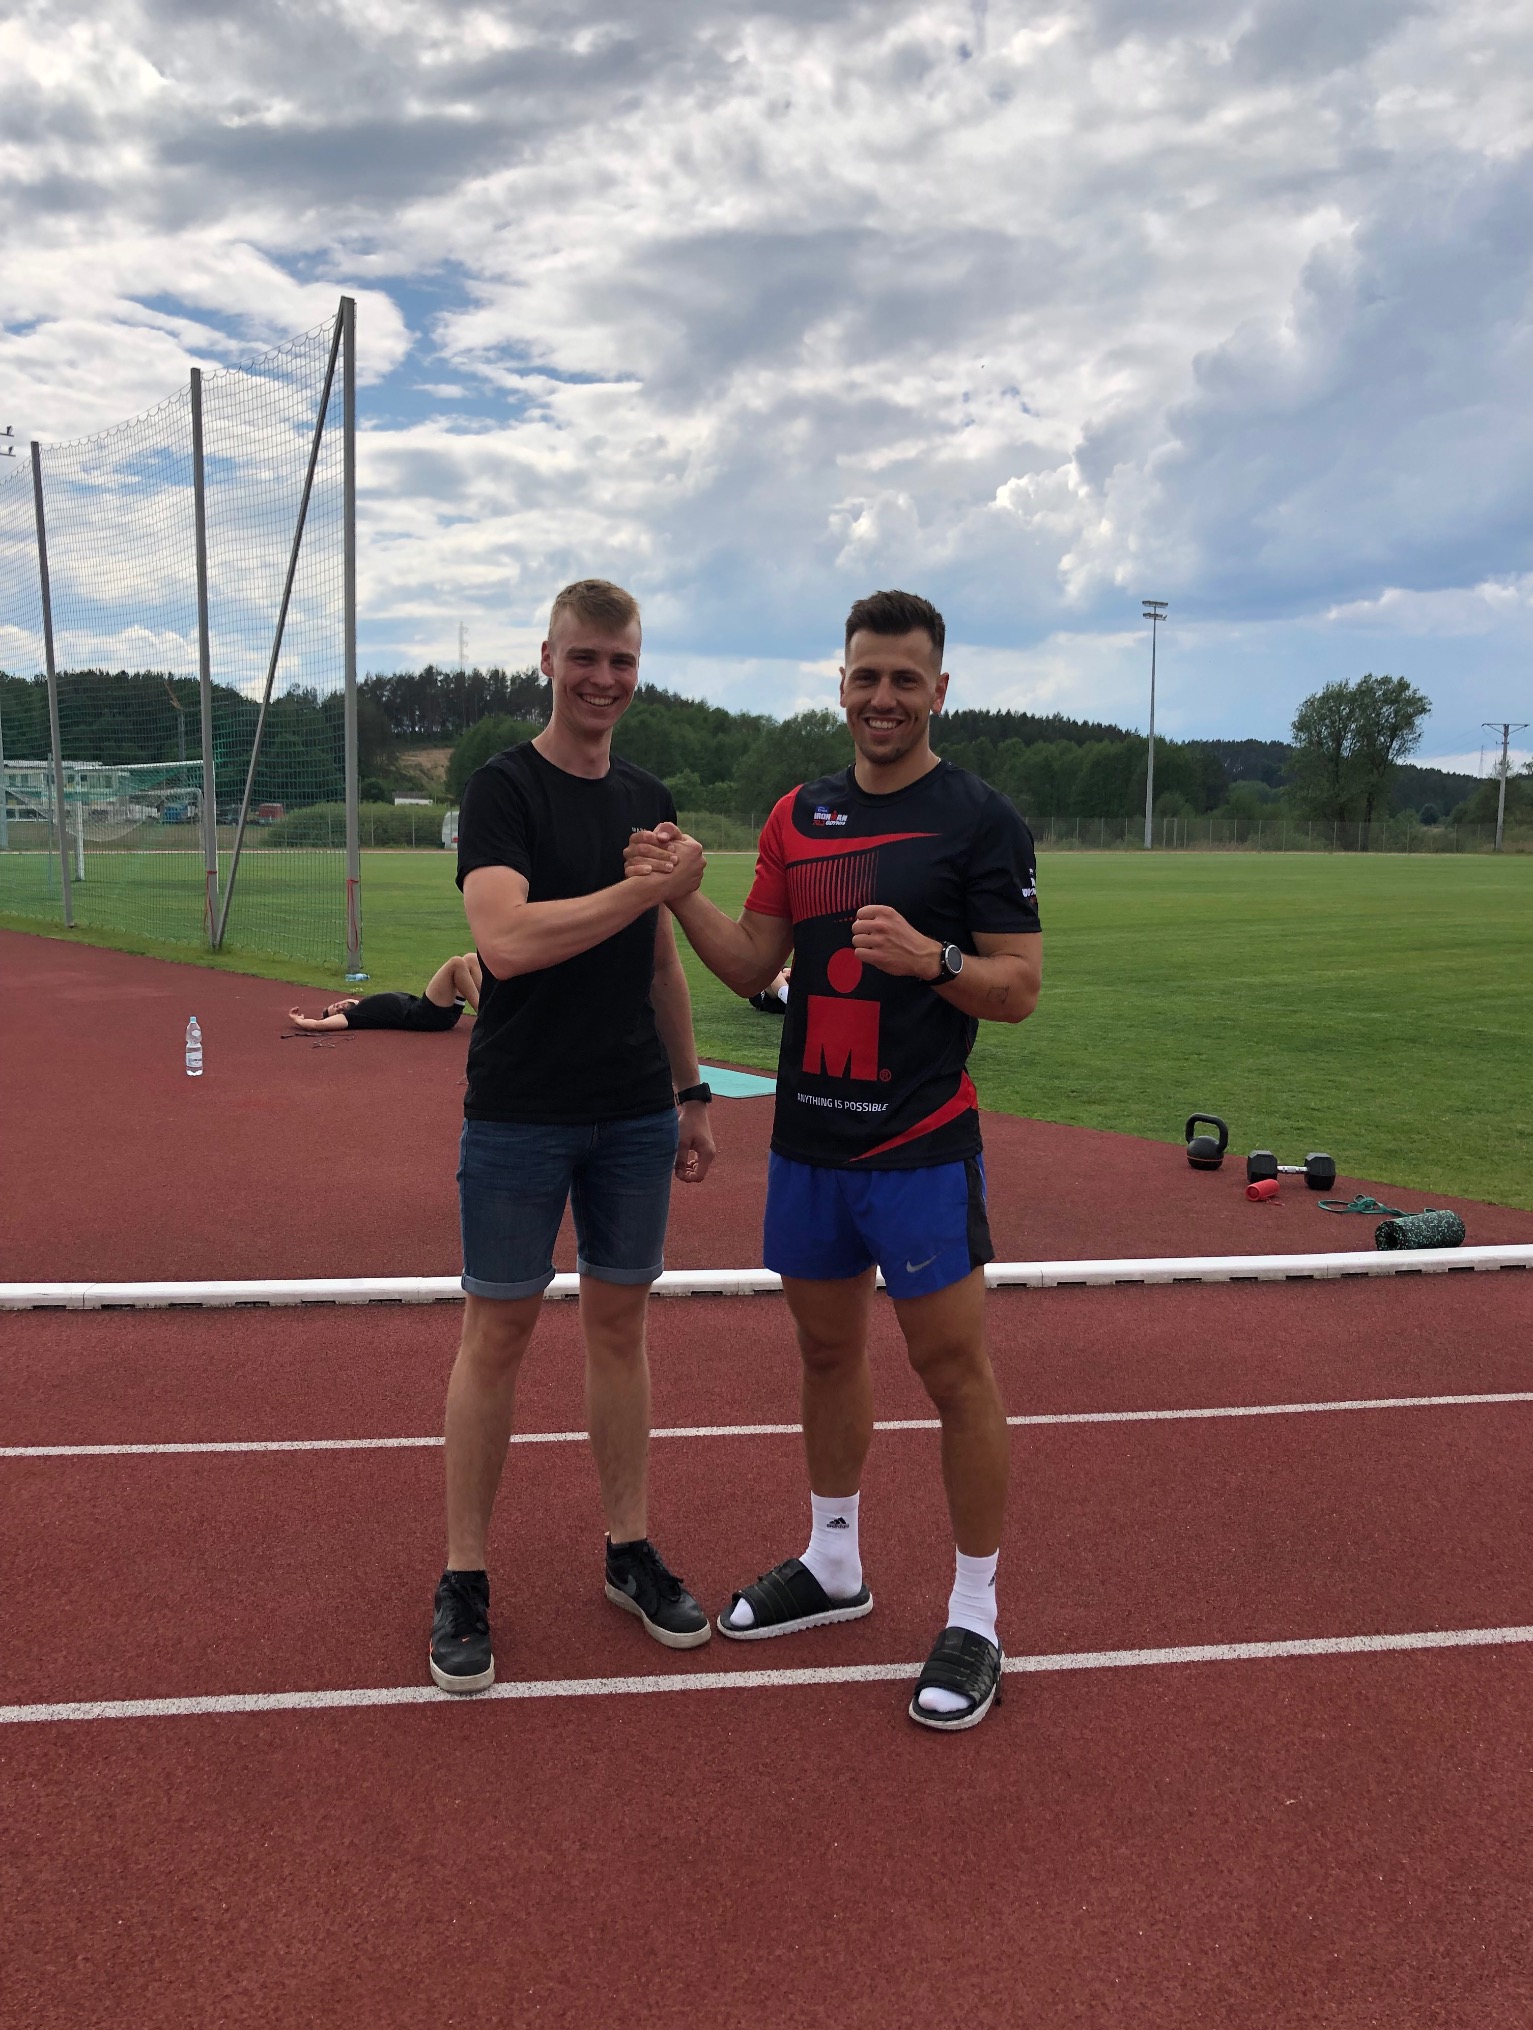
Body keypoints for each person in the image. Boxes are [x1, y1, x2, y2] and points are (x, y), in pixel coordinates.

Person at [625, 589, 1041, 1732]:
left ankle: (976, 1611)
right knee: (824, 1351)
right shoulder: (797, 815)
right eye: (866, 676)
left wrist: (931, 956)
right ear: (841, 683)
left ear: (939, 689)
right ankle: (834, 1558)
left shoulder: (981, 819)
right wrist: (680, 894)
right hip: (811, 1142)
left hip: (919, 1144)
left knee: (954, 1372)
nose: (882, 697)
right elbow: (753, 961)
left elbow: (1017, 989)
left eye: (905, 678)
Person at [429, 577, 717, 1696]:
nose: (604, 678)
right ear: (546, 658)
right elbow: (505, 941)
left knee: (620, 1329)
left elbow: (659, 960)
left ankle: (628, 1549)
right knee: (496, 1333)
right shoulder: (502, 788)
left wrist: (692, 1089)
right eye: (585, 656)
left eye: (622, 659)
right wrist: (641, 888)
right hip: (519, 1109)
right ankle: (464, 1576)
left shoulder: (647, 796)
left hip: (634, 1109)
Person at [286, 953, 482, 1033]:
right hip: (426, 1016)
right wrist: (300, 1021)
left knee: (470, 959)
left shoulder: (364, 1003)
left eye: (336, 1005)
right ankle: (486, 1017)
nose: (339, 1007)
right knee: (456, 963)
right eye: (337, 1011)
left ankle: (495, 1006)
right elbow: (319, 1025)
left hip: (435, 1012)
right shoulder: (356, 1016)